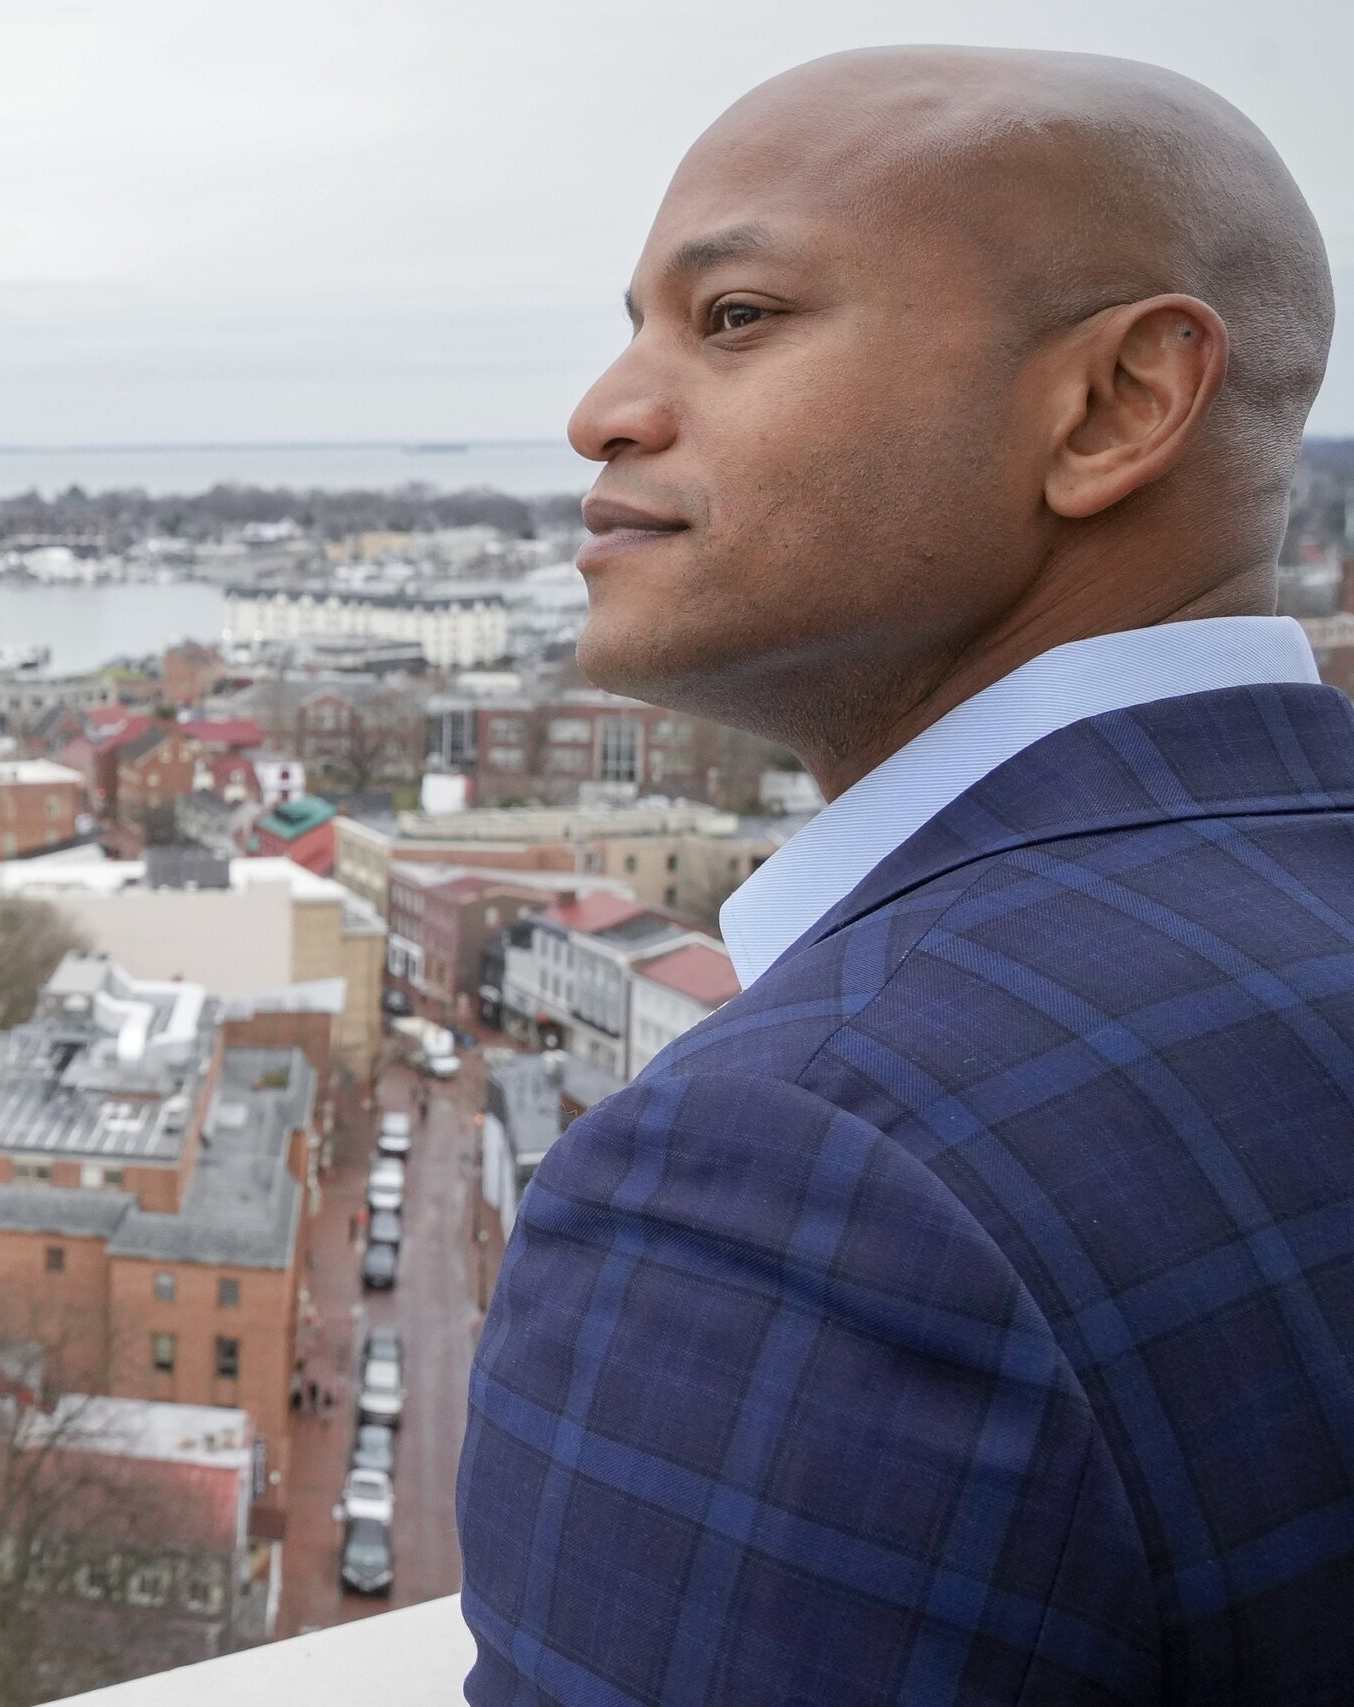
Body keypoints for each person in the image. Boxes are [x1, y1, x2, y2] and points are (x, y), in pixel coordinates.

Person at [457, 46, 1351, 1705]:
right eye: (637, 322)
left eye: (735, 318)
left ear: (1118, 404)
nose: (604, 409)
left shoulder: (806, 1173)